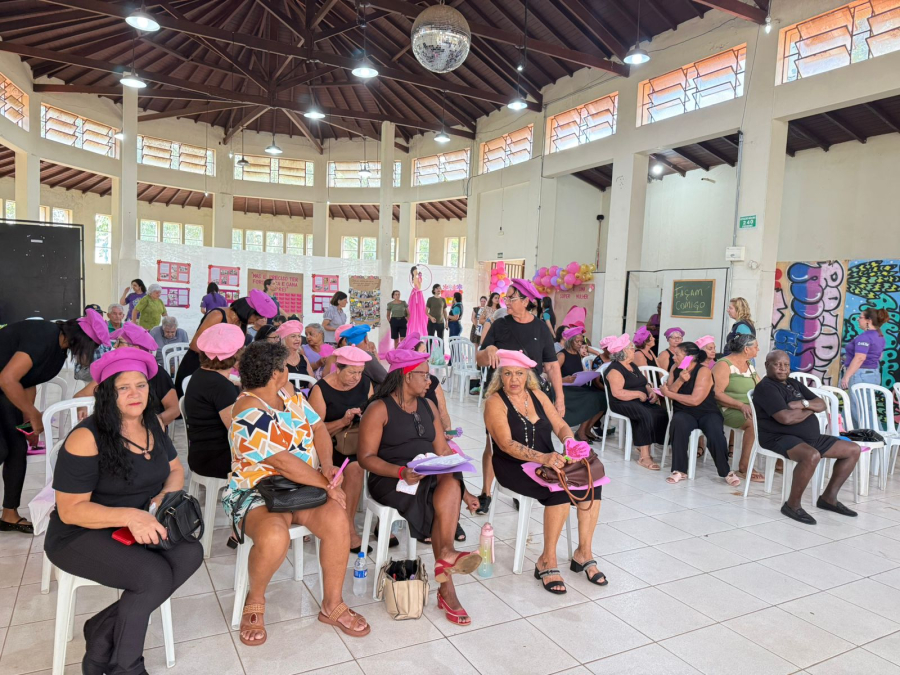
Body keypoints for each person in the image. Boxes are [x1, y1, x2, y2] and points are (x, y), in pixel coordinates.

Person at [45, 349, 203, 675]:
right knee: (152, 576)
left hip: (138, 522)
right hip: (81, 532)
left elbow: (175, 469)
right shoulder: (87, 437)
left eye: (141, 385)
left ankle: (101, 631)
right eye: (123, 388)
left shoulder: (153, 424)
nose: (135, 394)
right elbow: (71, 509)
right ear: (106, 393)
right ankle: (125, 665)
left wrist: (160, 500)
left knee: (190, 553)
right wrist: (130, 516)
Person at [224, 341, 369, 644]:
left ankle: (332, 604)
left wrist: (328, 466)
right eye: (285, 367)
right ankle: (257, 598)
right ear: (276, 373)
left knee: (337, 520)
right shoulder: (247, 411)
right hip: (257, 491)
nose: (289, 370)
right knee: (274, 536)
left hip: (303, 484)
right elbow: (282, 462)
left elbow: (317, 429)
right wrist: (327, 486)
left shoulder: (287, 396)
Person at [358, 348, 480, 625]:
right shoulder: (378, 409)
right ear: (406, 376)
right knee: (439, 496)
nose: (430, 381)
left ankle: (446, 558)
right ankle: (447, 587)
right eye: (425, 376)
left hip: (428, 472)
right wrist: (401, 471)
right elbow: (364, 459)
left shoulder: (428, 406)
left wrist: (467, 491)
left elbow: (443, 450)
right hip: (390, 477)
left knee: (450, 477)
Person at [484, 349, 605, 594]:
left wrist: (570, 442)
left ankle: (584, 553)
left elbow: (560, 424)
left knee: (593, 483)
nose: (514, 379)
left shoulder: (537, 395)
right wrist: (545, 458)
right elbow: (506, 444)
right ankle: (546, 560)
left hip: (547, 462)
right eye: (508, 374)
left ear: (528, 375)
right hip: (512, 466)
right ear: (500, 377)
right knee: (559, 492)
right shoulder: (495, 402)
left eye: (519, 373)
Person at [0, 313, 108, 533]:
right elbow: (8, 379)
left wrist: (27, 424)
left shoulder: (59, 352)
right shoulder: (43, 335)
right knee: (2, 449)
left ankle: (9, 514)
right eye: (93, 346)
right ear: (82, 339)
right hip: (3, 385)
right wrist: (34, 413)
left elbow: (28, 382)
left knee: (17, 449)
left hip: (4, 392)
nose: (91, 352)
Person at [475, 279, 564, 514]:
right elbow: (480, 359)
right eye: (506, 298)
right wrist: (488, 351)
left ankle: (523, 483)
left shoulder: (540, 329)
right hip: (501, 392)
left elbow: (552, 366)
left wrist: (560, 398)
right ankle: (486, 491)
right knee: (494, 443)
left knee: (530, 440)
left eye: (511, 299)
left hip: (532, 393)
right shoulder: (500, 324)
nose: (507, 302)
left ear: (526, 301)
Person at [752, 350, 861, 525]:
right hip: (779, 437)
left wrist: (803, 404)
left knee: (853, 450)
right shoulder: (766, 388)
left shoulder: (793, 383)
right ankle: (792, 505)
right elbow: (785, 418)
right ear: (767, 366)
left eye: (786, 365)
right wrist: (810, 409)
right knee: (811, 456)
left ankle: (828, 498)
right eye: (777, 364)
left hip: (809, 438)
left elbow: (821, 403)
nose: (782, 369)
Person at [308, 346, 375, 553]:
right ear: (338, 368)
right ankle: (347, 530)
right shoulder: (321, 390)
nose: (357, 377)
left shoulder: (365, 383)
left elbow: (373, 413)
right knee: (354, 467)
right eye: (351, 372)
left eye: (360, 372)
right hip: (329, 445)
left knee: (364, 463)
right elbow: (313, 431)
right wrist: (342, 421)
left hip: (356, 441)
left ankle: (348, 525)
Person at [660, 342, 740, 486]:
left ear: (689, 357)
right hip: (684, 411)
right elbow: (671, 389)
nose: (673, 357)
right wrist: (679, 380)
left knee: (715, 431)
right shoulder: (675, 368)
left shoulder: (703, 371)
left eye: (677, 354)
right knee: (678, 424)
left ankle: (726, 471)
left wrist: (669, 394)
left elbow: (695, 400)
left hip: (706, 411)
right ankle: (679, 470)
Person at [76, 323, 180, 430]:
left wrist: (154, 423)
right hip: (115, 431)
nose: (115, 346)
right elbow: (80, 395)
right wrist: (82, 409)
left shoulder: (158, 374)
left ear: (135, 348)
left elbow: (174, 409)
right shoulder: (111, 371)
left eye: (119, 342)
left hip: (151, 432)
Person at [174, 289, 277, 396]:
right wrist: (224, 361)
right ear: (248, 311)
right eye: (256, 318)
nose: (255, 322)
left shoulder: (242, 324)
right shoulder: (218, 315)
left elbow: (238, 351)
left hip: (219, 371)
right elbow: (195, 345)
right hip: (196, 366)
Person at [184, 323, 242, 481]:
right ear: (235, 355)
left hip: (201, 453)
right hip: (215, 459)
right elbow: (237, 431)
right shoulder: (221, 386)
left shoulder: (200, 374)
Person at [604, 334, 667, 471]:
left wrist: (650, 391)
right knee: (644, 414)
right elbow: (617, 393)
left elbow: (644, 383)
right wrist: (638, 394)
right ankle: (644, 456)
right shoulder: (615, 369)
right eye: (632, 348)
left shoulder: (632, 365)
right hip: (621, 402)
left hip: (639, 399)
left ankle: (643, 444)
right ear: (624, 352)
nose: (634, 350)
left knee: (661, 412)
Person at [712, 334, 764, 482]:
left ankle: (779, 463)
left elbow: (761, 387)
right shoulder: (724, 364)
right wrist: (741, 405)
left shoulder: (749, 364)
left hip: (748, 407)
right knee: (753, 423)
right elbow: (717, 394)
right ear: (746, 349)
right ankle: (744, 465)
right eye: (755, 347)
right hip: (727, 408)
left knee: (778, 418)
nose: (758, 349)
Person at [557, 326, 606, 444]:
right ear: (569, 341)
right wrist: (564, 379)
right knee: (591, 398)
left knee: (603, 397)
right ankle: (581, 431)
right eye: (577, 341)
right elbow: (550, 376)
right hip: (565, 388)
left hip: (577, 387)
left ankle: (588, 429)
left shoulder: (577, 354)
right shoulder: (562, 355)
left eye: (581, 341)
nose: (580, 344)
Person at [841, 308, 889, 423]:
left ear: (869, 320)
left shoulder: (865, 337)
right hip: (872, 374)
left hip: (861, 375)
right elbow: (879, 356)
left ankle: (868, 436)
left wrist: (847, 376)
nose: (858, 319)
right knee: (865, 408)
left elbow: (860, 358)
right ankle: (850, 433)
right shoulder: (879, 336)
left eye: (861, 317)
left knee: (858, 410)